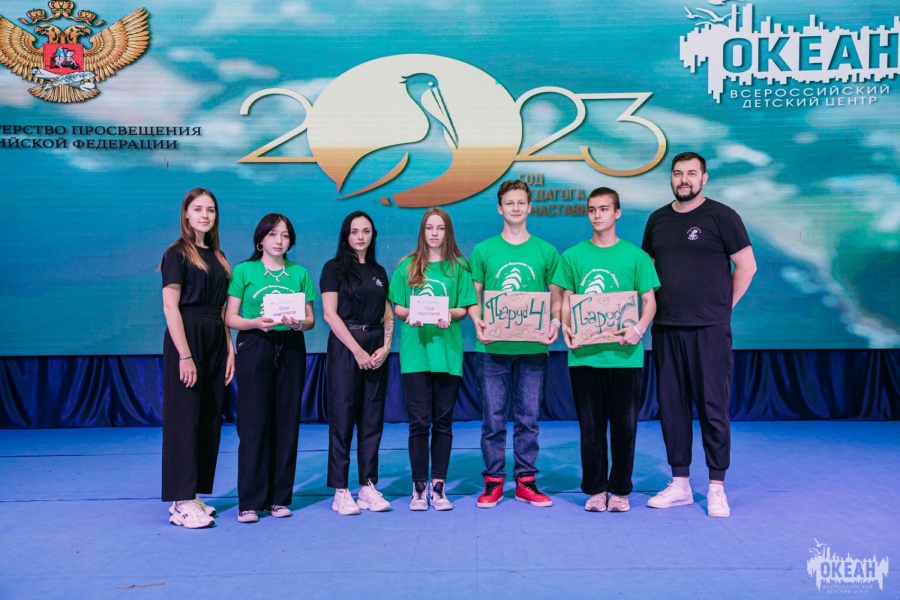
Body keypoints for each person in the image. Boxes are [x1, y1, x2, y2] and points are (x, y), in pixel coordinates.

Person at [641, 151, 757, 518]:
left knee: (713, 407)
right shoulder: (657, 219)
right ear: (671, 178)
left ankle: (717, 487)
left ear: (704, 178)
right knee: (672, 408)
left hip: (710, 329)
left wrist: (723, 307)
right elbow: (648, 274)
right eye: (678, 173)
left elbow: (747, 266)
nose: (684, 180)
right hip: (667, 329)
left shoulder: (722, 216)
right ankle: (680, 485)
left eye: (692, 173)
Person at [553, 188, 659, 513]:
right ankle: (596, 489)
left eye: (604, 209)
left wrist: (639, 329)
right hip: (584, 356)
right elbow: (564, 300)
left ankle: (621, 490)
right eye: (592, 209)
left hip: (625, 356)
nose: (597, 215)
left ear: (617, 213)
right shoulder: (572, 256)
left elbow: (649, 302)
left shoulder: (637, 257)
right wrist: (565, 326)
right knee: (591, 428)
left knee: (625, 427)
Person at [467, 180, 561, 509]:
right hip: (492, 349)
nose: (516, 208)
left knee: (528, 420)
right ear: (500, 209)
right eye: (510, 203)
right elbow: (473, 296)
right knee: (493, 420)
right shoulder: (484, 250)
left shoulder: (546, 251)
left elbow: (556, 296)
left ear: (530, 207)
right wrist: (478, 321)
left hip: (533, 349)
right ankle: (493, 482)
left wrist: (554, 322)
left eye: (521, 202)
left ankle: (525, 482)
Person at [225, 214, 317, 523]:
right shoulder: (244, 271)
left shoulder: (300, 273)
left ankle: (279, 499)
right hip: (255, 345)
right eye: (273, 234)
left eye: (285, 235)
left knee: (287, 423)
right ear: (260, 239)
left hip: (290, 347)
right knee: (253, 423)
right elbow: (230, 317)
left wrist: (298, 323)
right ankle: (250, 502)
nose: (279, 240)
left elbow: (310, 320)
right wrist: (253, 323)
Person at [389, 208, 477, 511]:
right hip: (416, 355)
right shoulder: (407, 266)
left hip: (447, 355)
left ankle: (438, 486)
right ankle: (418, 487)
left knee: (443, 422)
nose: (434, 233)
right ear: (422, 231)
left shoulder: (459, 266)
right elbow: (398, 308)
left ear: (447, 232)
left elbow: (463, 308)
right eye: (429, 228)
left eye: (440, 228)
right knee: (418, 423)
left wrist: (447, 314)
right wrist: (412, 314)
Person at [160, 187, 234, 529]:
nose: (205, 215)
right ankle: (180, 500)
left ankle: (192, 493)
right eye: (198, 209)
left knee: (208, 418)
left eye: (211, 210)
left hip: (215, 337)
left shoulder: (218, 256)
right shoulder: (176, 254)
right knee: (184, 419)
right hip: (187, 336)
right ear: (186, 214)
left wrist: (229, 349)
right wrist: (185, 355)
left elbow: (222, 309)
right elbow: (170, 306)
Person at [321, 211, 394, 515]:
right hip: (346, 347)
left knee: (372, 418)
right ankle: (341, 490)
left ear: (373, 235)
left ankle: (367, 486)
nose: (360, 236)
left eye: (366, 231)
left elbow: (387, 313)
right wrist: (357, 351)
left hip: (376, 346)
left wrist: (386, 347)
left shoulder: (379, 271)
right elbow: (330, 314)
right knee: (342, 417)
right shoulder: (333, 268)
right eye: (354, 231)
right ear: (346, 235)